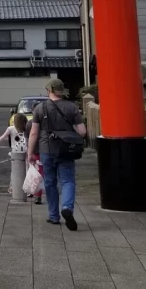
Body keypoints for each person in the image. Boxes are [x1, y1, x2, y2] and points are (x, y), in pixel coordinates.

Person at [27, 78, 86, 230]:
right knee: (67, 181)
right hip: (66, 150)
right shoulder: (72, 107)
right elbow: (82, 132)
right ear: (62, 91)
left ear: (49, 91)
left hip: (46, 149)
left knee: (50, 182)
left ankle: (53, 216)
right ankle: (67, 208)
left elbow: (34, 133)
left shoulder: (40, 108)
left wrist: (30, 153)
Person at [0, 113, 42, 204]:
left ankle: (13, 188)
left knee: (14, 172)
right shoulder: (27, 128)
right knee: (27, 171)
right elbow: (30, 139)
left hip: (15, 152)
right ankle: (29, 190)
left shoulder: (10, 129)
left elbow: (2, 137)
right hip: (26, 152)